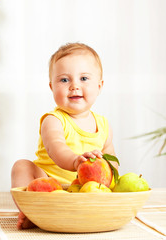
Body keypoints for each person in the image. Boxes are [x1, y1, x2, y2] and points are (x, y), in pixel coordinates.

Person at [11, 42, 118, 229]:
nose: (74, 86)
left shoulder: (103, 124)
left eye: (84, 78)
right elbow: (56, 148)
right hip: (49, 186)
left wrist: (111, 180)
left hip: (85, 189)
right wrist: (75, 161)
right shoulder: (53, 120)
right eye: (64, 80)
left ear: (100, 86)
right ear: (52, 87)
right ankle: (30, 211)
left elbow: (112, 159)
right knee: (21, 167)